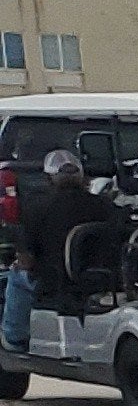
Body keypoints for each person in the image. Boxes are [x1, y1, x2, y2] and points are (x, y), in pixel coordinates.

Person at [7, 149, 100, 352]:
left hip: (54, 282)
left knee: (15, 277)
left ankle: (15, 340)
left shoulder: (37, 208)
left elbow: (26, 261)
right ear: (82, 177)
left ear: (49, 178)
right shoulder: (105, 205)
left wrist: (19, 263)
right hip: (101, 280)